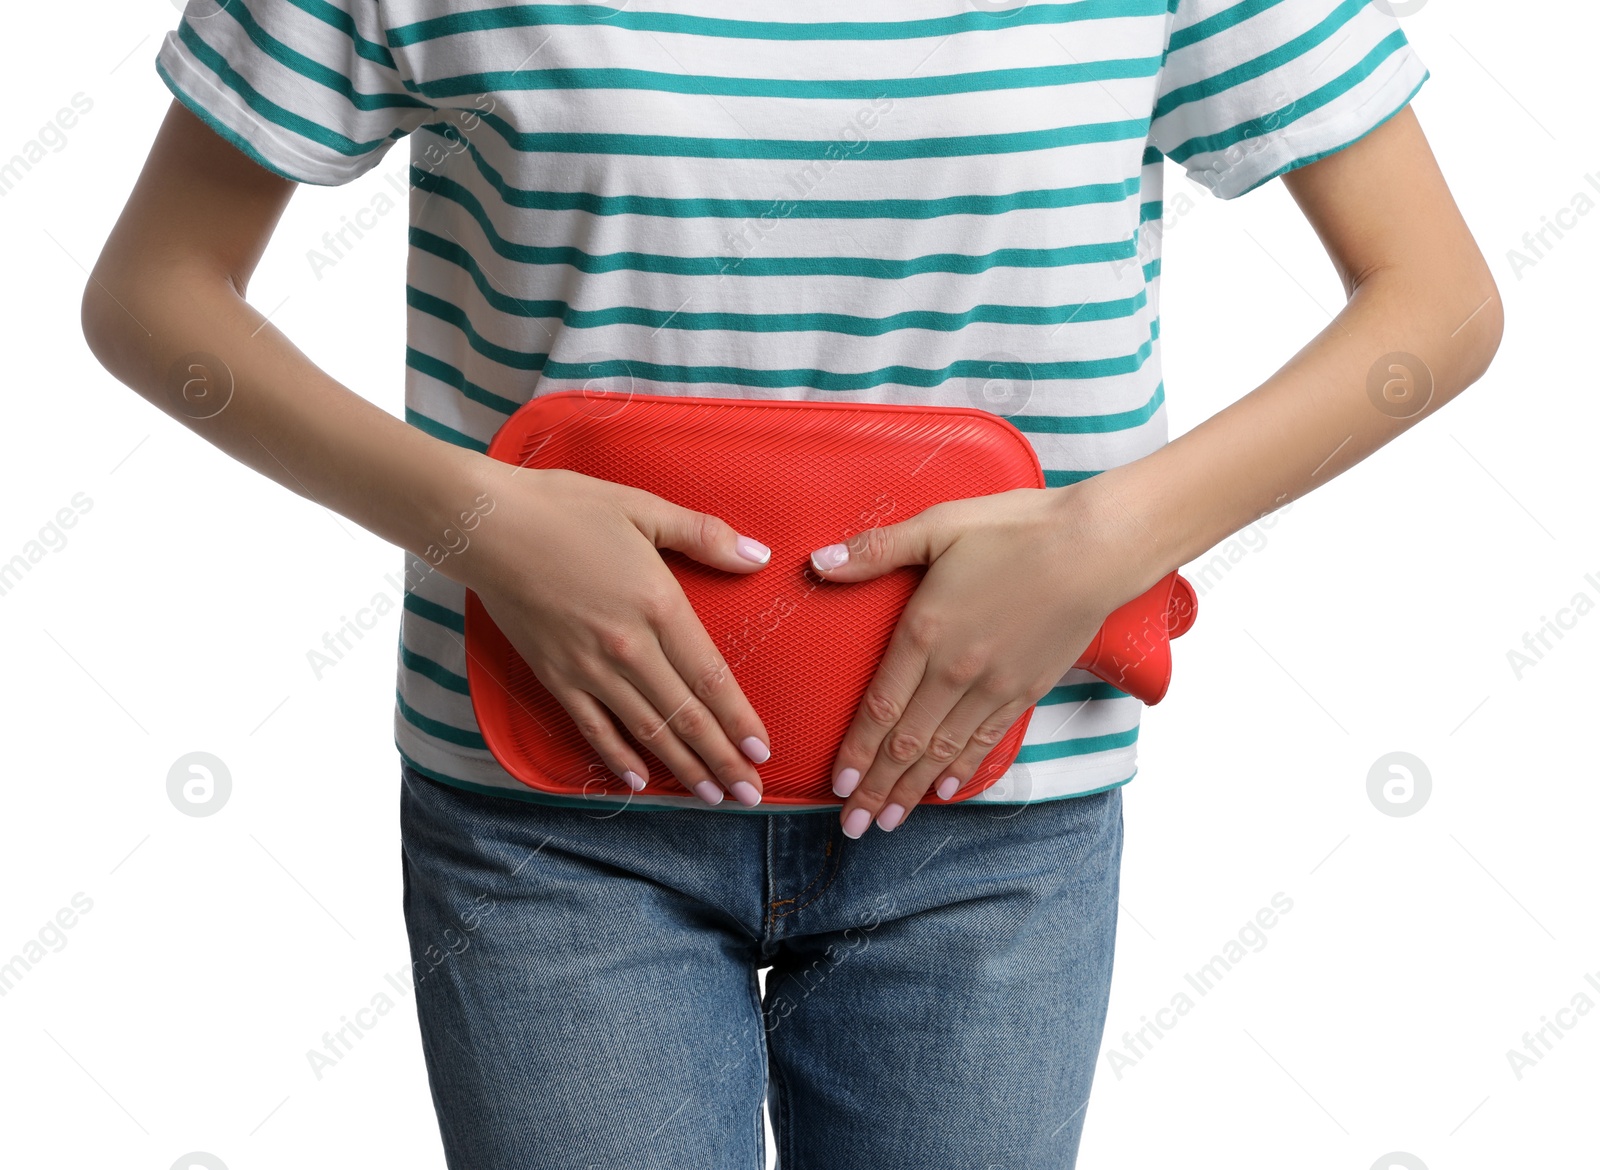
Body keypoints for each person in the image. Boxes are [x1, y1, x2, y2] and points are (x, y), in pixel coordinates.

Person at [81, 1, 1501, 1165]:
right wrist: (480, 524)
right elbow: (156, 293)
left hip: (992, 825)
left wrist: (1095, 546)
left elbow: (1435, 298)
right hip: (555, 822)